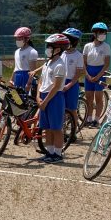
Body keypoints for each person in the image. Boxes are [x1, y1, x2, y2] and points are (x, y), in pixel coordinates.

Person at [37, 33, 70, 163]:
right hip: (44, 96)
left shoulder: (60, 65)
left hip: (54, 97)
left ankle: (58, 154)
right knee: (47, 128)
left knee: (56, 128)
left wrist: (45, 101)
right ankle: (49, 152)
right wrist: (38, 97)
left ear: (58, 49)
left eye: (50, 46)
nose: (48, 49)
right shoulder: (47, 63)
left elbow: (56, 86)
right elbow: (41, 81)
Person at [82, 22, 111, 128]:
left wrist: (98, 76)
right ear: (94, 33)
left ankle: (97, 120)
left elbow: (106, 64)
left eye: (104, 33)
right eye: (100, 32)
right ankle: (89, 119)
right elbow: (83, 63)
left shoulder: (106, 46)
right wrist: (87, 75)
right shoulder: (87, 46)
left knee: (98, 98)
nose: (102, 35)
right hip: (89, 72)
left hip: (100, 72)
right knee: (89, 98)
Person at [60, 27, 84, 137]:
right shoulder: (62, 53)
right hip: (61, 82)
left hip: (72, 84)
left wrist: (69, 85)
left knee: (72, 109)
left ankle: (73, 133)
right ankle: (63, 130)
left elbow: (77, 74)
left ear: (74, 41)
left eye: (68, 39)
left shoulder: (78, 55)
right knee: (61, 108)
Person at [11, 26, 38, 93]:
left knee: (27, 97)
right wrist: (12, 79)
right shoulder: (17, 51)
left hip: (26, 76)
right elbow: (16, 67)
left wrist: (29, 83)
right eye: (17, 38)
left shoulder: (32, 51)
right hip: (17, 76)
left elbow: (32, 71)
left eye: (20, 38)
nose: (17, 40)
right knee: (18, 97)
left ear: (27, 39)